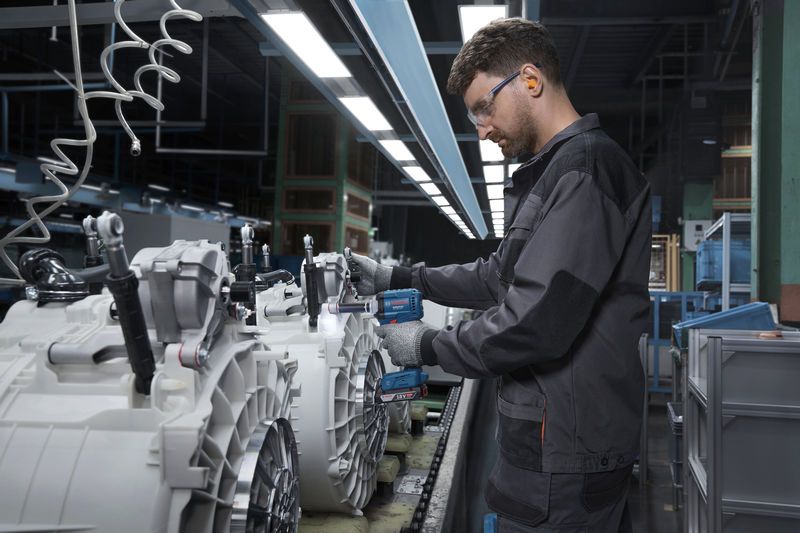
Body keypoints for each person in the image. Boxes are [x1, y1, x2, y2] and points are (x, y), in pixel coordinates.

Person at [352, 18, 651, 533]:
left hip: (566, 451)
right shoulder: (559, 172)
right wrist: (398, 275)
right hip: (554, 436)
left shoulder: (585, 170)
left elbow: (534, 320)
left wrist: (423, 345)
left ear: (530, 81)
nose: (482, 128)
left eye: (484, 107)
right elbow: (498, 277)